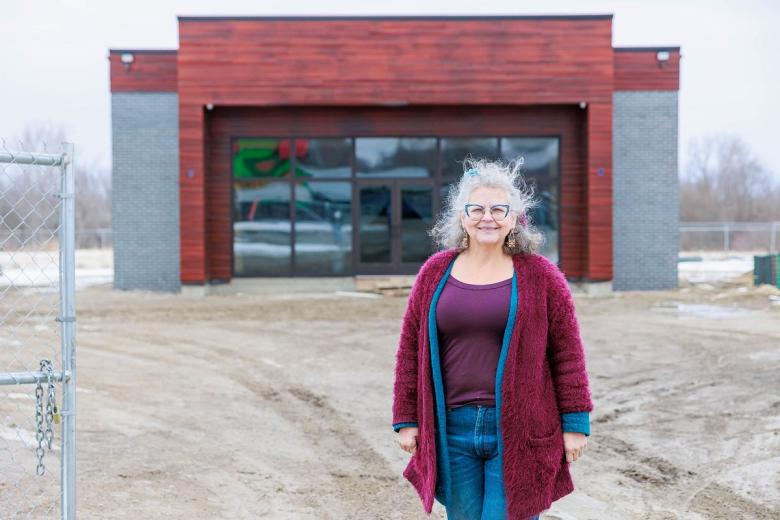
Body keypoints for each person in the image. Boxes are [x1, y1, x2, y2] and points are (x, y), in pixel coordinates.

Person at [391, 157, 594, 519]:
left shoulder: (542, 277)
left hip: (519, 428)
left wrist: (576, 423)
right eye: (478, 208)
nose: (488, 217)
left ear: (514, 218)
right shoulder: (434, 273)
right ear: (462, 216)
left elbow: (567, 353)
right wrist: (407, 418)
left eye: (499, 209)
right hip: (452, 430)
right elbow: (410, 349)